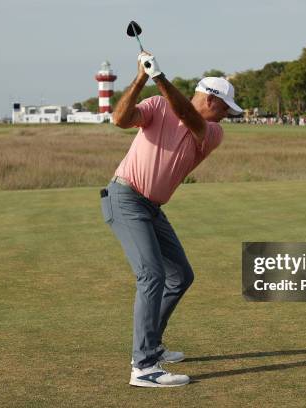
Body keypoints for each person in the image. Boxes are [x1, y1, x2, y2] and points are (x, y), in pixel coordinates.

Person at [100, 52, 242, 387]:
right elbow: (119, 119)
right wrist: (141, 79)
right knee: (152, 275)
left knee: (180, 276)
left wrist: (160, 77)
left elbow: (187, 115)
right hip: (125, 197)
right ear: (211, 99)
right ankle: (144, 366)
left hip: (151, 207)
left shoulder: (211, 131)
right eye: (225, 108)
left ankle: (152, 345)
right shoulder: (157, 105)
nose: (226, 116)